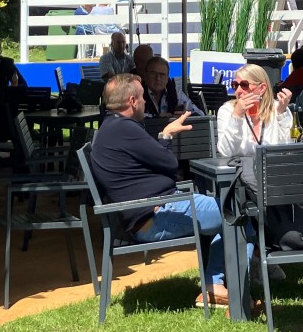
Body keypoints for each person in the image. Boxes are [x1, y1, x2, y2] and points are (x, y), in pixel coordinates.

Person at [89, 74, 227, 307]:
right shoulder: (125, 129)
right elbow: (170, 163)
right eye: (142, 97)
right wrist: (166, 136)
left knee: (232, 209)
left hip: (153, 210)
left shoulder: (112, 127)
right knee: (237, 213)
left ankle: (221, 280)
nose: (145, 102)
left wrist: (165, 137)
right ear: (132, 101)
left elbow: (161, 165)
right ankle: (222, 283)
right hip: (155, 215)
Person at [216, 64, 303, 265]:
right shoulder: (227, 111)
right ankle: (278, 239)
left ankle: (276, 241)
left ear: (262, 88)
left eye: (244, 85)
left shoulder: (276, 109)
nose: (238, 90)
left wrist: (283, 114)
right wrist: (238, 117)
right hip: (244, 183)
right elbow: (226, 151)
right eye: (235, 84)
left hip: (276, 179)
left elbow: (288, 148)